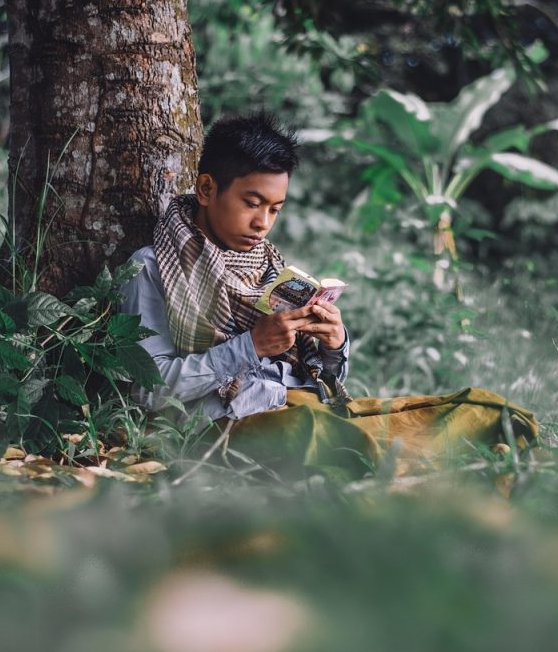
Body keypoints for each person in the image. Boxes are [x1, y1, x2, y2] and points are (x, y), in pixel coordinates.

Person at [120, 113, 536, 481]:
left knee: (483, 408)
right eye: (252, 203)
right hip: (225, 426)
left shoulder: (266, 266)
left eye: (275, 209)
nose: (263, 222)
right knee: (317, 434)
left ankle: (423, 448)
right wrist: (249, 347)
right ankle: (414, 459)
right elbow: (149, 391)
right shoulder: (153, 268)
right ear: (208, 189)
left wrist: (333, 344)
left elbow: (321, 381)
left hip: (297, 403)